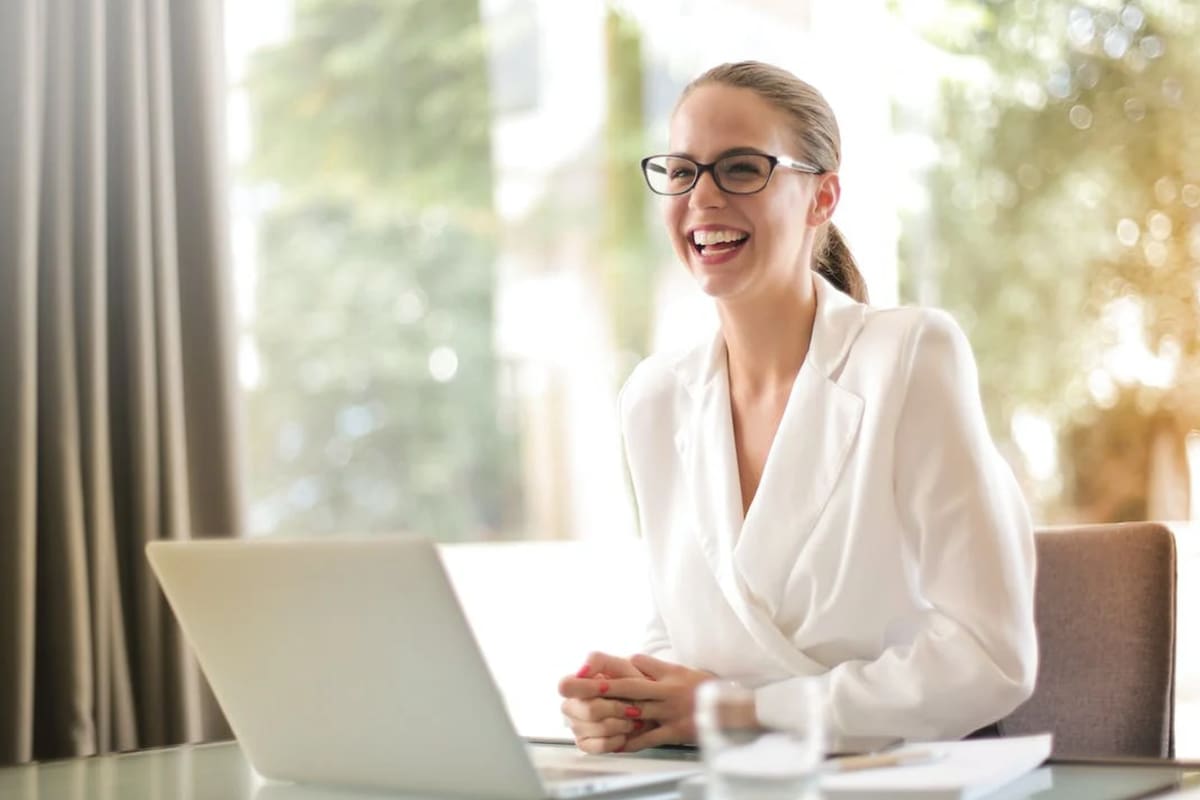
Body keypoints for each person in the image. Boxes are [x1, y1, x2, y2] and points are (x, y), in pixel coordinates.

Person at [556, 61, 1037, 754]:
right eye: (683, 170)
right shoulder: (654, 400)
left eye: (742, 169)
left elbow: (991, 657)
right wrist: (630, 702)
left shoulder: (908, 357)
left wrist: (743, 710)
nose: (703, 197)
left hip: (896, 777)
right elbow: (680, 626)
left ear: (822, 197)